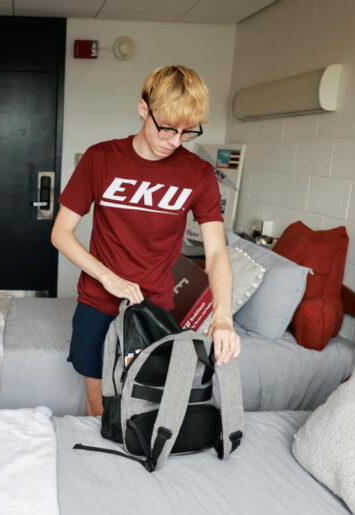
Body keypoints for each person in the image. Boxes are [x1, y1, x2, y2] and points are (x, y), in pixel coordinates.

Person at [51, 64, 241, 417]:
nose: (175, 140)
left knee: (142, 408)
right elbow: (60, 233)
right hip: (97, 305)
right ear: (143, 109)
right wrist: (109, 277)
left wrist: (223, 318)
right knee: (99, 409)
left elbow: (216, 253)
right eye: (167, 127)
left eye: (187, 132)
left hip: (154, 311)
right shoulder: (101, 158)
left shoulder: (198, 175)